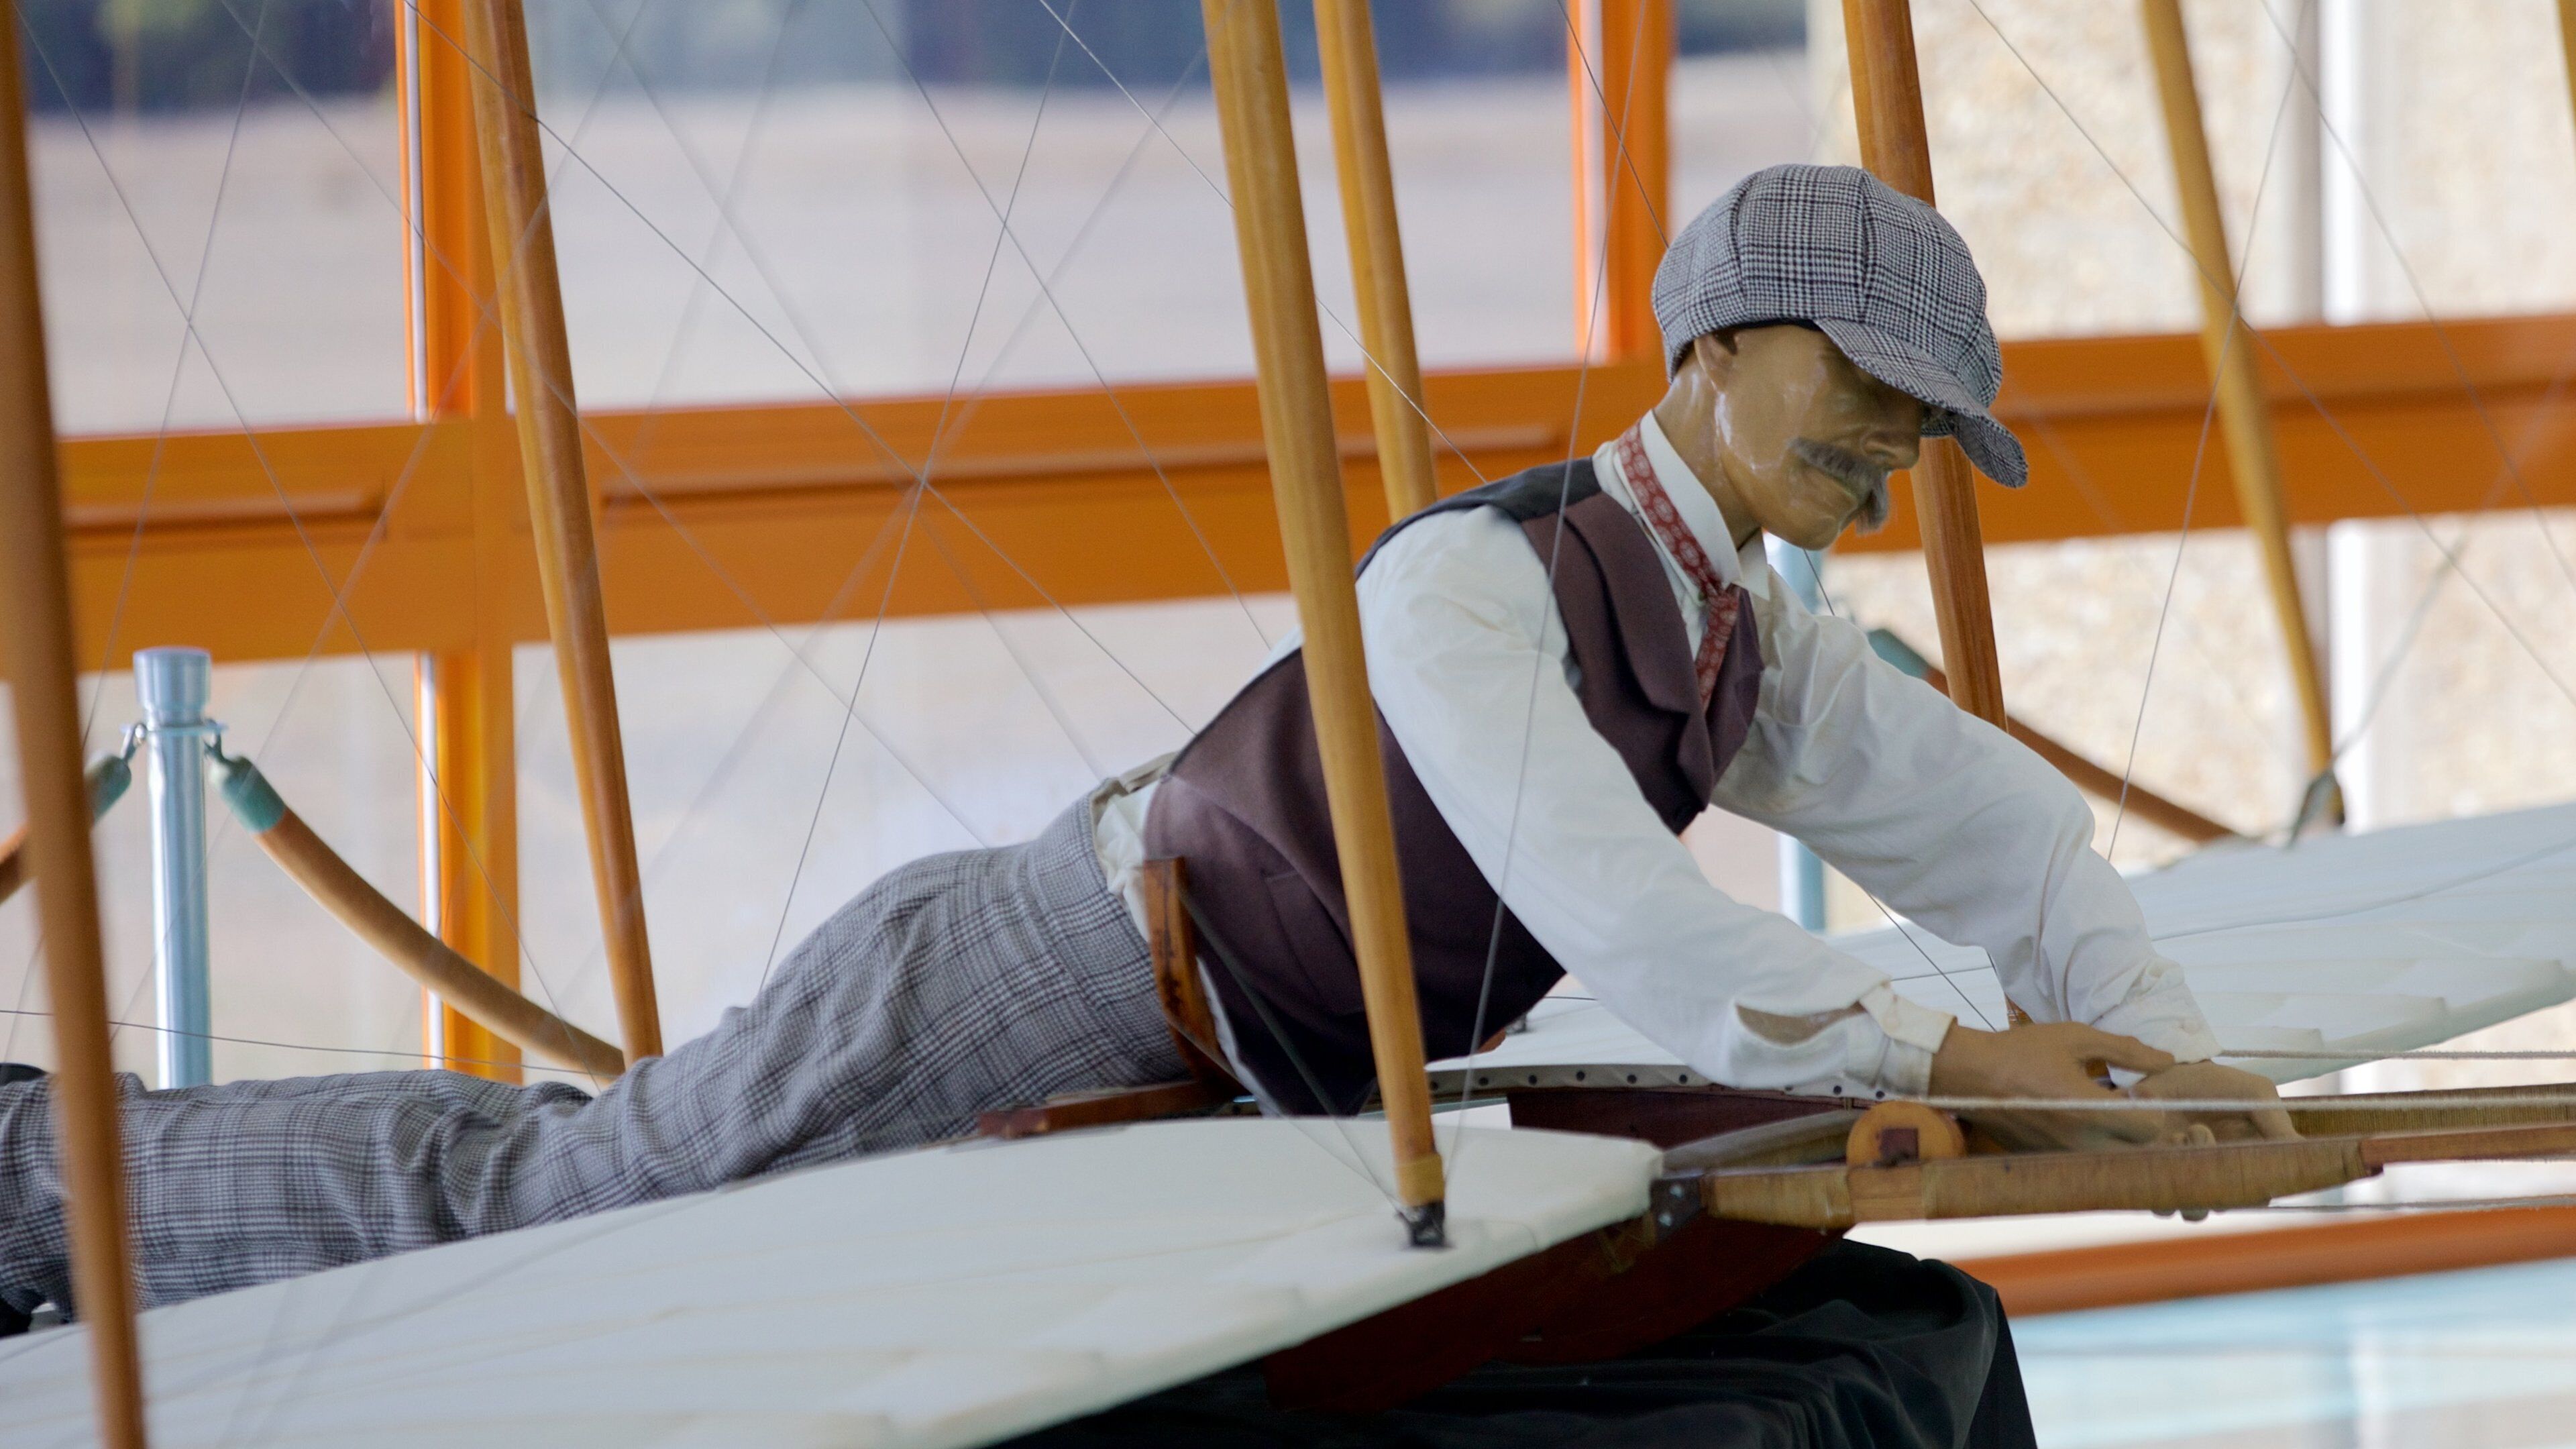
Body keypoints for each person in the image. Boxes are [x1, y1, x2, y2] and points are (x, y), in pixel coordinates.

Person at [0, 165, 2285, 1346]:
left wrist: (2177, 1066)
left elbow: (2014, 839)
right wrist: (1986, 1053)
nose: (1898, 439)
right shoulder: (1465, 588)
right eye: (1867, 382)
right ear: (1710, 340)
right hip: (1050, 969)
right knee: (555, 1212)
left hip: (1222, 1064)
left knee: (582, 1170)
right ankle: (36, 1185)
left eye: (1925, 411)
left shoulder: (1746, 648)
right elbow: (1638, 926)